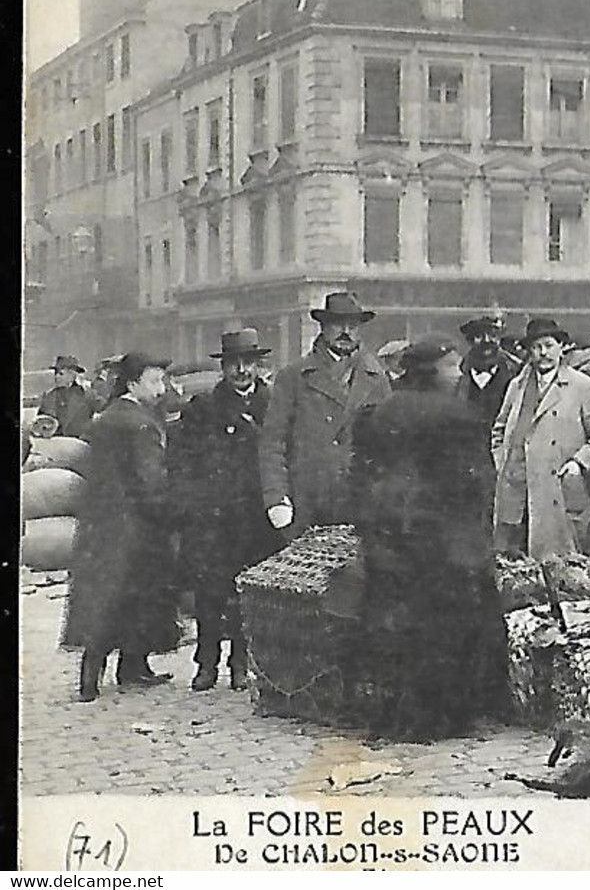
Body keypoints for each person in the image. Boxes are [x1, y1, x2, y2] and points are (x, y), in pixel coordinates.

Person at [349, 336, 509, 741]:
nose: (459, 374)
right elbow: (474, 484)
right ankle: (442, 718)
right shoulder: (457, 416)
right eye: (453, 367)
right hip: (445, 542)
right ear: (434, 370)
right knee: (447, 629)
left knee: (396, 629)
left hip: (391, 537)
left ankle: (392, 716)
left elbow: (363, 474)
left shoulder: (381, 412)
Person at [61, 352, 182, 701]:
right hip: (139, 526)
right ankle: (132, 667)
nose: (162, 389)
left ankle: (94, 676)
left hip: (101, 524)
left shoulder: (105, 419)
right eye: (155, 381)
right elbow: (152, 482)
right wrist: (172, 513)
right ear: (133, 384)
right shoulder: (143, 424)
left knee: (105, 596)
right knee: (139, 593)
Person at [172, 329, 283, 692]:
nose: (241, 371)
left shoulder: (273, 404)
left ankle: (241, 663)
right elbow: (181, 460)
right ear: (223, 367)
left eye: (248, 363)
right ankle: (206, 664)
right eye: (234, 363)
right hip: (213, 519)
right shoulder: (203, 407)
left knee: (247, 594)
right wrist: (193, 503)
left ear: (258, 366)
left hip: (255, 519)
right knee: (210, 593)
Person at [259, 292, 394, 539]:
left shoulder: (376, 377)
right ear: (322, 327)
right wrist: (276, 497)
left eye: (353, 325)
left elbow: (390, 446)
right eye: (337, 324)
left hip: (360, 503)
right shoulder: (294, 376)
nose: (346, 332)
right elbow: (272, 443)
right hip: (307, 503)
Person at [491, 316, 590, 559]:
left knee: (561, 568)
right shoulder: (517, 387)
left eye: (549, 345)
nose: (543, 353)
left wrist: (579, 462)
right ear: (529, 351)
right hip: (517, 494)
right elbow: (499, 430)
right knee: (513, 568)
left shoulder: (582, 386)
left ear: (562, 347)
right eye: (537, 347)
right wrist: (503, 463)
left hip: (558, 492)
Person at [456, 314, 518, 427]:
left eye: (493, 335)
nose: (487, 340)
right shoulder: (457, 373)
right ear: (469, 341)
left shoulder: (516, 372)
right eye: (479, 336)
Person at [38, 355, 98, 438]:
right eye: (56, 373)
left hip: (80, 443)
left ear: (72, 376)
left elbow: (102, 414)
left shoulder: (87, 394)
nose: (57, 377)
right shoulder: (49, 396)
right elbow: (39, 423)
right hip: (55, 442)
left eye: (61, 374)